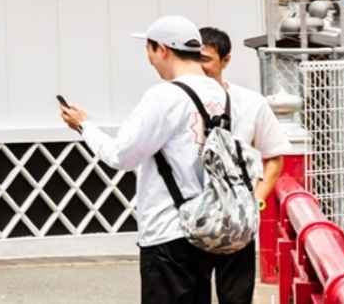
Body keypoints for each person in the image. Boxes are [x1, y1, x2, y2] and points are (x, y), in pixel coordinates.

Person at [59, 15, 227, 304]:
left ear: (162, 49)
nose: (149, 60)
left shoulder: (164, 96)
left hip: (168, 230)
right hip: (209, 225)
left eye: (149, 50)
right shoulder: (220, 93)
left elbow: (120, 156)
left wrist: (84, 126)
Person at [199, 26, 290, 304]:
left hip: (237, 217)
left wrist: (256, 200)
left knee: (236, 297)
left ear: (226, 61)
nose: (199, 67)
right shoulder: (174, 99)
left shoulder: (250, 102)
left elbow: (274, 156)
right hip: (192, 215)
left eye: (206, 59)